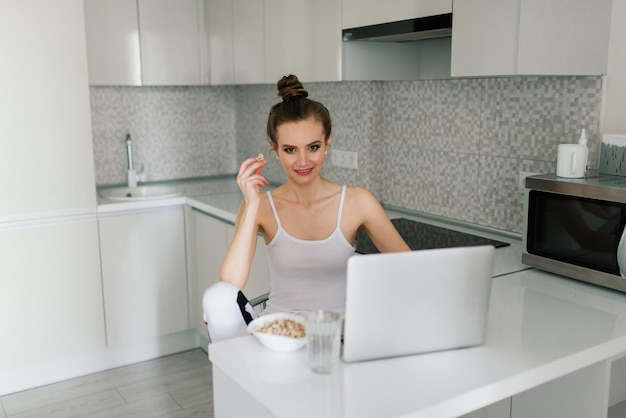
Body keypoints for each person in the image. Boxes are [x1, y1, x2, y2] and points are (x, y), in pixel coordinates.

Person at [203, 74, 409, 342]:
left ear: (328, 143)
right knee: (215, 297)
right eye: (290, 150)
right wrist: (252, 205)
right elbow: (229, 285)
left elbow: (409, 268)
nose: (303, 161)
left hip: (341, 335)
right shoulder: (260, 207)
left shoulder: (358, 201)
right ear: (274, 150)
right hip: (280, 337)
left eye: (313, 147)